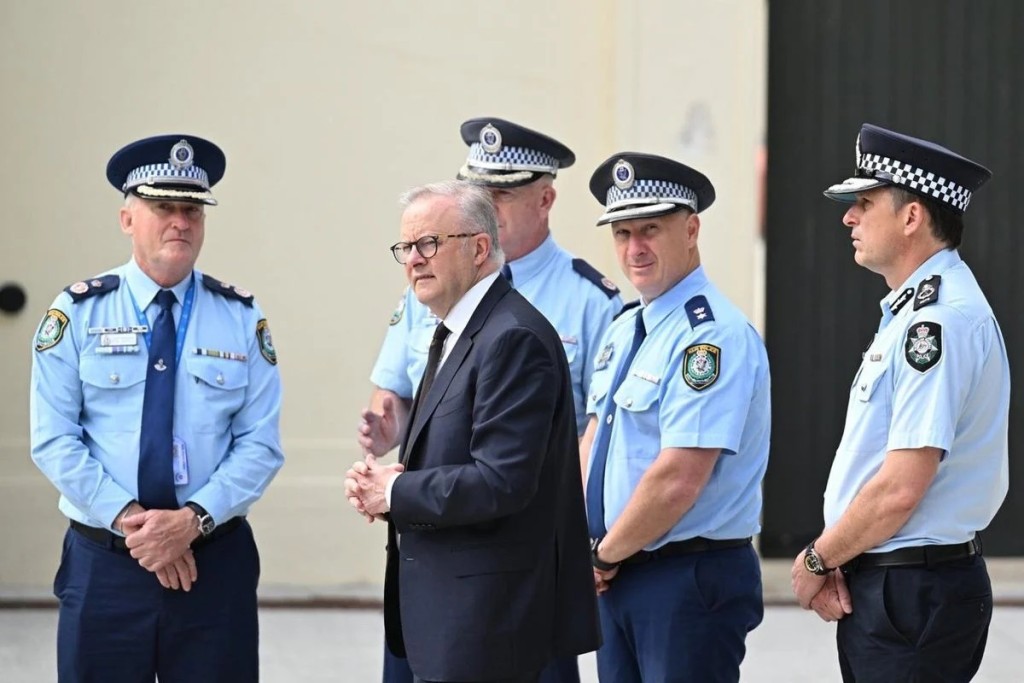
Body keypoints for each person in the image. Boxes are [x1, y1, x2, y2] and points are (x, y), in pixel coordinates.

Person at [362, 117, 620, 683]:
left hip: (490, 624)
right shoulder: (451, 325)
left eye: (429, 243)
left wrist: (397, 490)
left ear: (480, 250)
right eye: (405, 246)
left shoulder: (512, 337)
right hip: (442, 612)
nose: (413, 259)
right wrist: (388, 480)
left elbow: (502, 480)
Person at [30, 134, 285, 682]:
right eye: (163, 206)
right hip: (106, 567)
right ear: (127, 218)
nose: (180, 222)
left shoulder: (240, 315)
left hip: (212, 564)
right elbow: (53, 437)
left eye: (192, 208)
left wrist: (189, 522)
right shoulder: (76, 311)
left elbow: (260, 444)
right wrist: (136, 524)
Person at [790, 123, 1006, 682]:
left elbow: (899, 488)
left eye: (863, 202)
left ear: (912, 217)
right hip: (896, 583)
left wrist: (818, 558)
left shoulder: (935, 322)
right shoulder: (914, 312)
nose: (848, 217)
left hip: (911, 592)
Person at [582, 153, 769, 682]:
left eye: (650, 230)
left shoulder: (709, 337)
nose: (634, 249)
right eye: (622, 233)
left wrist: (601, 555)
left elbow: (679, 476)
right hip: (619, 572)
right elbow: (593, 440)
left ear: (691, 230)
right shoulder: (625, 329)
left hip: (684, 578)